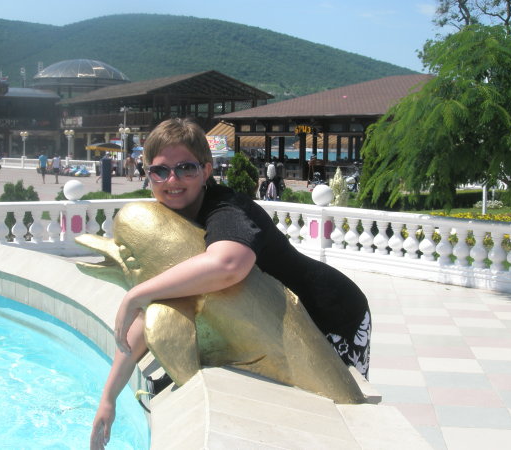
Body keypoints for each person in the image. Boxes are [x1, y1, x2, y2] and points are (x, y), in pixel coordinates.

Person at [90, 119, 371, 449]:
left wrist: (136, 293)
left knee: (340, 413)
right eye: (160, 171)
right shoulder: (170, 219)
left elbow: (229, 265)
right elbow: (157, 307)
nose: (172, 180)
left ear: (206, 171)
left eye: (186, 168)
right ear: (147, 174)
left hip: (332, 313)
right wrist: (108, 398)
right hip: (278, 318)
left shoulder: (226, 208)